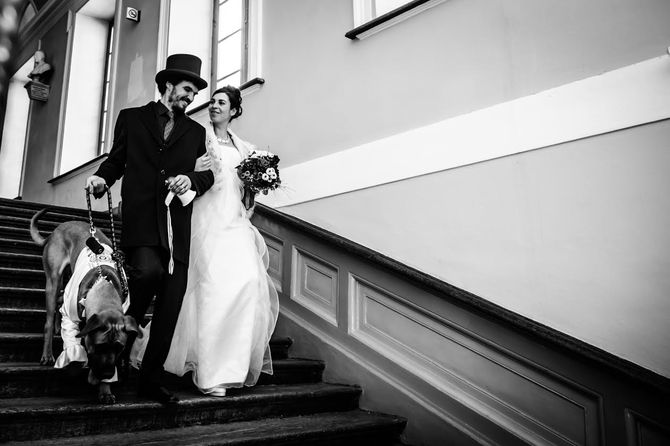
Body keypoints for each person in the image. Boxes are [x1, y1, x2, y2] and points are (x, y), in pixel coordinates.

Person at [132, 86, 279, 396]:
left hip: (235, 222)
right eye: (212, 101)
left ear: (234, 111)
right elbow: (184, 170)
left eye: (221, 102)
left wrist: (253, 194)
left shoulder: (245, 148)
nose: (214, 106)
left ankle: (230, 367)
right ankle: (209, 372)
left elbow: (246, 187)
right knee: (210, 288)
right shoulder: (197, 135)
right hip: (203, 218)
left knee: (248, 282)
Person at [85, 54, 214, 404]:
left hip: (176, 229)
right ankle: (113, 357)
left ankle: (150, 381)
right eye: (187, 89)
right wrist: (101, 178)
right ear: (168, 85)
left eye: (194, 93)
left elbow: (207, 175)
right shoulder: (132, 118)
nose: (191, 97)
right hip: (141, 221)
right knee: (147, 273)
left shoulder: (196, 132)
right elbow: (116, 160)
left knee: (170, 306)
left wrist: (191, 179)